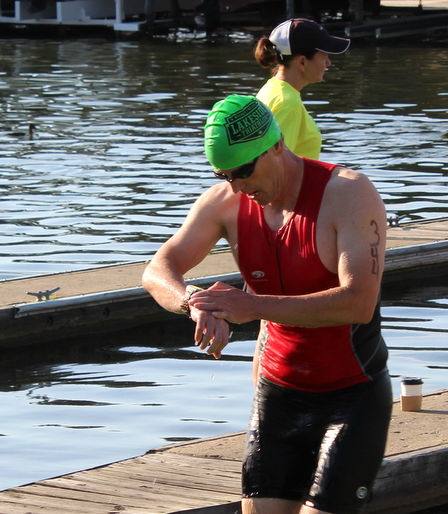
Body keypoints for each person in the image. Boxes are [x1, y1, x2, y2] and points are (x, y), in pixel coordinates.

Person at [141, 94, 392, 514]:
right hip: (278, 396)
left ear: (275, 145)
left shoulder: (349, 193)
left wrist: (254, 306)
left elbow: (358, 302)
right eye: (224, 175)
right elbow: (157, 270)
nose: (237, 186)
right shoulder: (225, 203)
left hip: (351, 398)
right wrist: (195, 303)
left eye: (243, 171)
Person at [254, 18, 350, 160]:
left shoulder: (272, 89)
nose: (328, 63)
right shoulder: (288, 104)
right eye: (324, 57)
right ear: (302, 62)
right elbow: (276, 166)